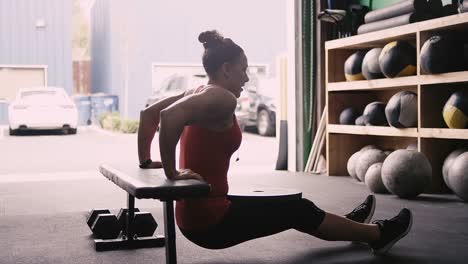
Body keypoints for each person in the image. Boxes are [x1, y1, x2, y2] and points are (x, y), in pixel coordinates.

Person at [137, 30, 412, 254]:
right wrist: (172, 172)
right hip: (211, 223)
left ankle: (349, 225)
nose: (246, 77)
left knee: (294, 206)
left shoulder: (197, 90)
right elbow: (167, 116)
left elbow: (148, 115)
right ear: (226, 69)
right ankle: (378, 234)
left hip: (193, 214)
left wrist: (146, 161)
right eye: (243, 69)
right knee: (298, 210)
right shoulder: (222, 97)